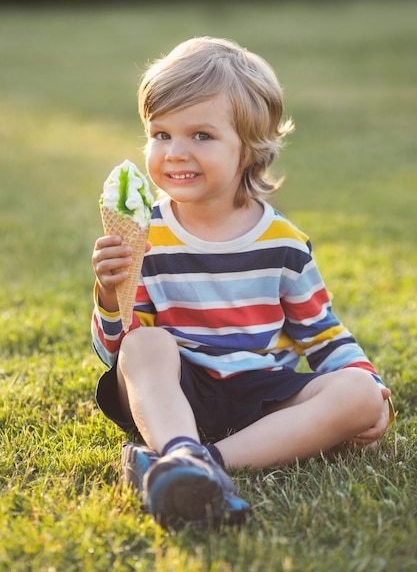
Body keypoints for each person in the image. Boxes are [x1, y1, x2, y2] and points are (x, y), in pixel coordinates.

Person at [91, 37, 393, 529]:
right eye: (161, 134)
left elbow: (323, 335)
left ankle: (194, 463)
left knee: (360, 392)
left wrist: (373, 389)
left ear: (250, 149)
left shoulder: (283, 243)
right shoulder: (144, 234)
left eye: (201, 136)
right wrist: (109, 296)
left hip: (262, 399)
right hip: (175, 396)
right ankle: (184, 450)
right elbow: (117, 354)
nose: (174, 153)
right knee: (146, 344)